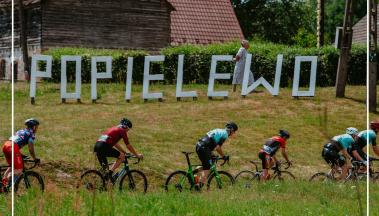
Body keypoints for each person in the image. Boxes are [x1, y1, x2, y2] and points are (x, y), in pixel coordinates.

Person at [195, 122, 238, 188]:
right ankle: (198, 187)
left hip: (200, 145)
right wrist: (224, 156)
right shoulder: (225, 134)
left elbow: (211, 142)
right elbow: (218, 148)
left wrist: (213, 155)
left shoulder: (219, 130)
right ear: (231, 130)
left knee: (211, 161)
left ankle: (192, 174)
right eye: (234, 131)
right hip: (204, 147)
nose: (233, 133)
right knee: (207, 168)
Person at [1, 118, 40, 191]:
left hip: (6, 145)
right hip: (12, 147)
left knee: (11, 167)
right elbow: (31, 149)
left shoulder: (21, 131)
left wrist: (20, 154)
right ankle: (7, 185)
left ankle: (3, 185)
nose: (37, 129)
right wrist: (35, 158)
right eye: (37, 127)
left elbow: (16, 141)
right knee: (19, 170)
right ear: (34, 127)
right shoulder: (31, 134)